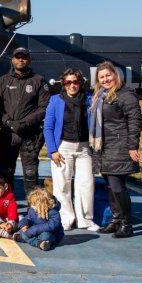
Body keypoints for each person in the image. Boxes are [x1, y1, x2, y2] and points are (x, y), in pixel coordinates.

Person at [89, 61, 142, 238]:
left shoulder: (125, 95)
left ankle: (127, 224)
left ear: (115, 75)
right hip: (105, 148)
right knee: (111, 186)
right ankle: (115, 220)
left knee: (118, 186)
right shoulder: (101, 96)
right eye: (101, 77)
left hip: (119, 147)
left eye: (108, 76)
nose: (105, 79)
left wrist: (132, 145)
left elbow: (135, 121)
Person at [44, 68, 99, 231]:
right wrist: (52, 150)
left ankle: (85, 220)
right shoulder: (55, 100)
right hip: (63, 147)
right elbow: (48, 127)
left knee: (86, 184)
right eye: (68, 82)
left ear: (80, 83)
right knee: (62, 184)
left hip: (84, 148)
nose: (72, 85)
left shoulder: (90, 99)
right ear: (63, 83)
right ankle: (66, 218)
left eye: (75, 81)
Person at [0, 47, 50, 198]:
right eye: (17, 57)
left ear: (29, 60)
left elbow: (44, 107)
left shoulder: (38, 80)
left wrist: (25, 123)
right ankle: (7, 208)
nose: (20, 60)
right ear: (12, 60)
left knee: (30, 173)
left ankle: (34, 208)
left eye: (24, 57)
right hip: (8, 133)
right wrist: (9, 122)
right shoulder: (3, 81)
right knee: (5, 172)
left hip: (30, 134)